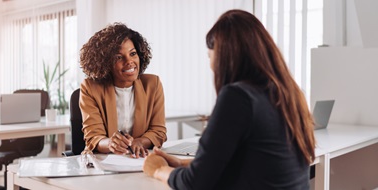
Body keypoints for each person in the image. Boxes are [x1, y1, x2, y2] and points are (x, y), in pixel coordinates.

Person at [143, 9, 315, 189]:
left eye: (210, 56)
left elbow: (195, 184)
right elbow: (250, 163)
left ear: (224, 55)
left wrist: (159, 170)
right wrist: (180, 164)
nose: (211, 66)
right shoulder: (292, 94)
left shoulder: (238, 97)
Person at [79, 22, 167, 158]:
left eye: (133, 54)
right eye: (119, 57)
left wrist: (139, 142)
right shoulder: (90, 88)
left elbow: (158, 131)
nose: (129, 61)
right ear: (105, 63)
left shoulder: (152, 84)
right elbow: (94, 137)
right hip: (103, 162)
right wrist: (110, 144)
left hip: (139, 160)